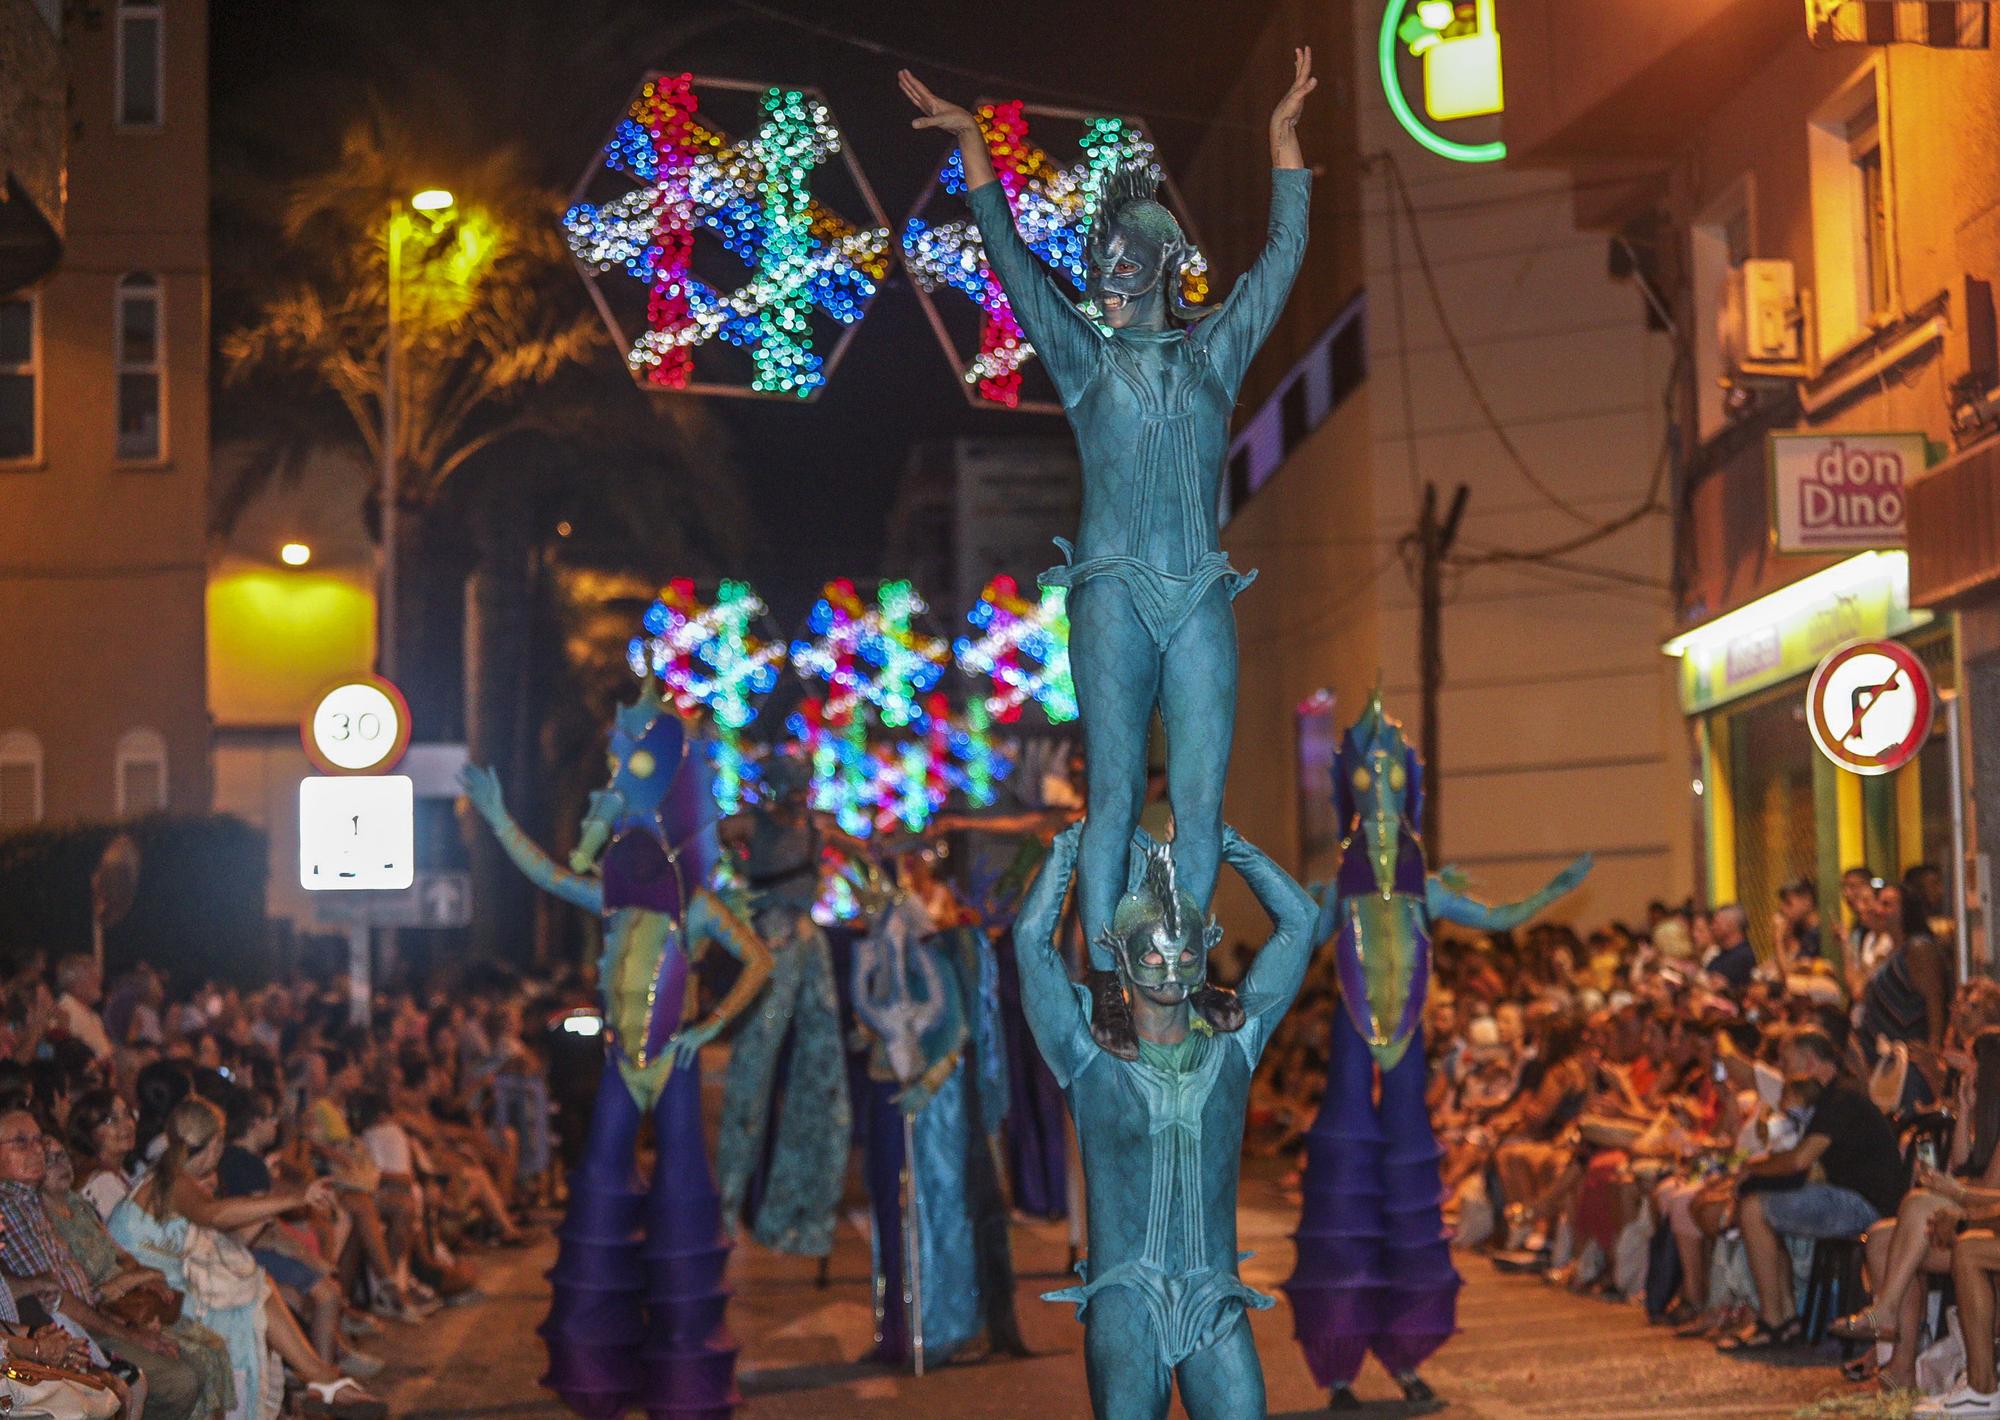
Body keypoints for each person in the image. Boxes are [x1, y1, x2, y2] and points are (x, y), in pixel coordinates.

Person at [899, 50, 1316, 1055]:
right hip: (1110, 593)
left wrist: (1282, 144)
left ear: (1163, 268)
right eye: (1099, 270)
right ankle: (1104, 981)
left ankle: (1186, 958)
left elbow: (1281, 259)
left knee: (1203, 792)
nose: (1106, 283)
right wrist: (971, 147)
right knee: (1118, 788)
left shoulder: (1216, 351)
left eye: (1125, 267)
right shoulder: (1082, 362)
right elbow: (1008, 261)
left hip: (1199, 589)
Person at [1012, 822, 1317, 1419]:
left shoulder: (1234, 1044)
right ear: (1118, 954)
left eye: (1185, 954)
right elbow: (1031, 944)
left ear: (1206, 953)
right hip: (1126, 1296)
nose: (1170, 968)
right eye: (1151, 953)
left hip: (1214, 1296)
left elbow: (1301, 921)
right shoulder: (1087, 1052)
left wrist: (1230, 844)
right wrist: (1069, 853)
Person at [108, 1098, 385, 1420]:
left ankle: (318, 1377)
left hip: (162, 1286)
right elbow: (215, 1215)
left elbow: (227, 1235)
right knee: (250, 1293)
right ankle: (319, 1378)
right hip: (148, 1296)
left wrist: (265, 1211)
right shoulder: (174, 1181)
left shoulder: (170, 1174)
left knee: (253, 1280)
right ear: (215, 1144)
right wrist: (295, 1197)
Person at [0, 1108, 203, 1420]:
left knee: (193, 1362)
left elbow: (82, 1282)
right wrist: (128, 1333)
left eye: (38, 1140)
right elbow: (55, 1301)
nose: (36, 1150)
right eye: (21, 1142)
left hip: (84, 1319)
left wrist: (130, 1302)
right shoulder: (9, 1205)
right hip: (59, 1332)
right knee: (176, 1380)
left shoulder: (34, 1201)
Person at [1835, 1029, 2000, 1387]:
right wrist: (1966, 1111)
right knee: (1881, 1237)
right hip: (1970, 1220)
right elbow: (1961, 1167)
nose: (1964, 1067)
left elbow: (1989, 1193)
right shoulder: (1985, 1117)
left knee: (1918, 1204)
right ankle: (1900, 1367)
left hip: (1987, 1228)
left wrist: (1952, 1191)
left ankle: (1887, 1312)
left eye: (1971, 1060)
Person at [1721, 1028, 1904, 1351]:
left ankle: (1775, 1321)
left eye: (1787, 1061)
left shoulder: (1840, 1097)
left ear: (1809, 1061)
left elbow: (1800, 1161)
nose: (1783, 1070)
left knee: (1754, 1208)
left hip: (1865, 1205)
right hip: (1851, 1195)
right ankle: (1785, 1316)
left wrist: (1751, 1169)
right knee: (1759, 1203)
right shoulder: (1831, 1096)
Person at [42, 1136, 236, 1420]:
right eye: (50, 1160)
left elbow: (119, 1253)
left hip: (127, 1302)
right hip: (100, 1313)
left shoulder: (76, 1203)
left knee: (213, 1348)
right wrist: (132, 1283)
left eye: (63, 1156)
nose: (61, 1165)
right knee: (189, 1368)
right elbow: (84, 1296)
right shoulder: (43, 1218)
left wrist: (144, 1277)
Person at [57, 957, 115, 1065]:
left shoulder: (92, 1015)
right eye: (93, 978)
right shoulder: (64, 1012)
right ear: (75, 983)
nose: (99, 983)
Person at [1703, 906, 1756, 992]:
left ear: (1730, 925)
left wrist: (1727, 988)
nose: (1712, 927)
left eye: (1716, 923)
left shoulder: (1744, 957)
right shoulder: (1719, 956)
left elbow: (1747, 991)